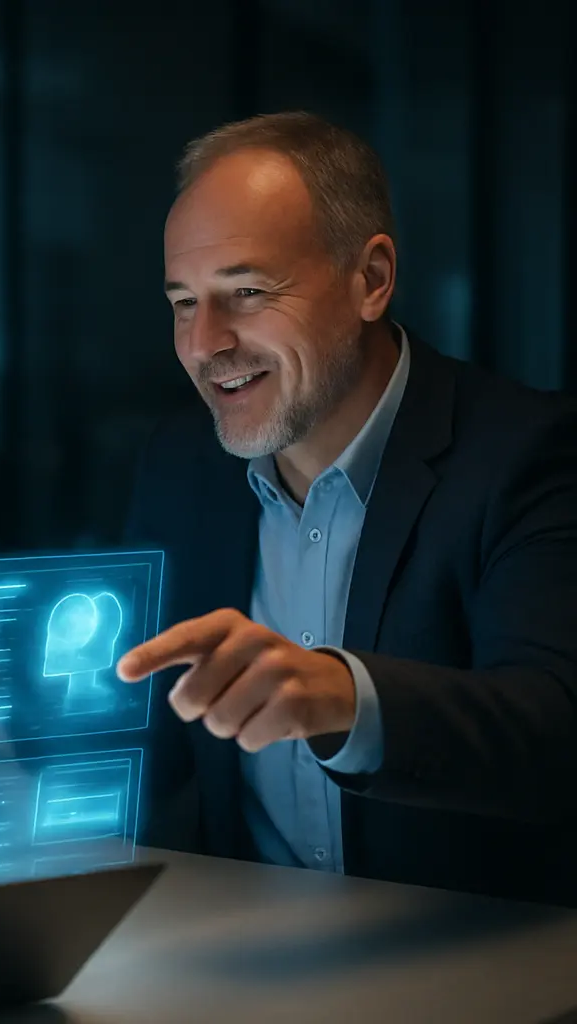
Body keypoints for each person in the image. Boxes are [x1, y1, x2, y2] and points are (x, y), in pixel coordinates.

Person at [116, 112, 577, 906]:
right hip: (247, 962)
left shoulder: (530, 454)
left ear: (371, 280)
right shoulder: (179, 465)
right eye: (184, 302)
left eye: (248, 292)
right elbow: (145, 744)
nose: (204, 342)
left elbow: (555, 730)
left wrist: (339, 695)